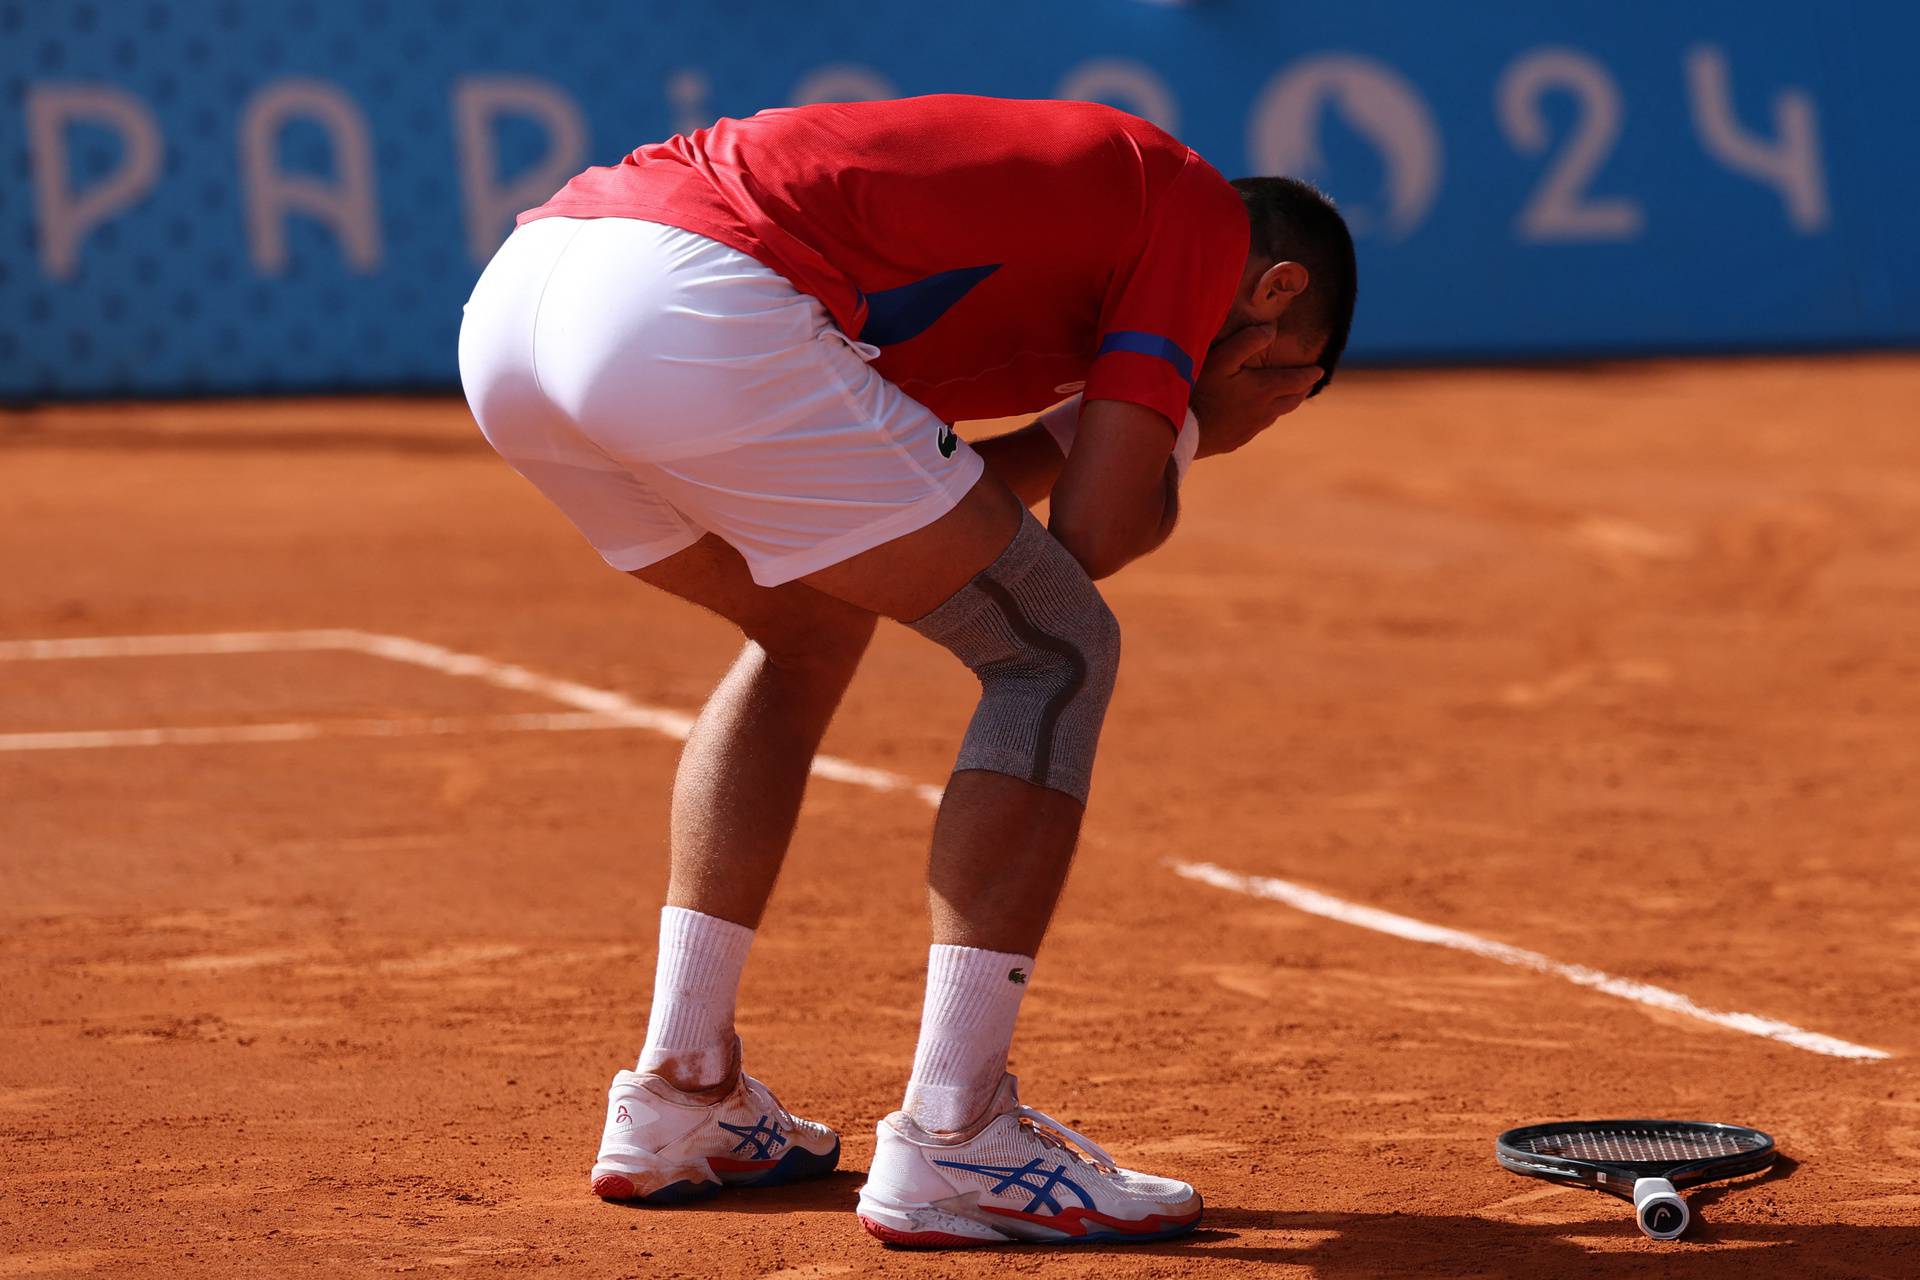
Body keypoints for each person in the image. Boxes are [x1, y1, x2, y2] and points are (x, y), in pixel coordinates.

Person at [457, 93, 1356, 1248]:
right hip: (689, 297)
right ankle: (956, 1132)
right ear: (1277, 298)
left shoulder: (1039, 276)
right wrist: (1175, 421)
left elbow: (932, 499)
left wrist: (1098, 423)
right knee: (1055, 648)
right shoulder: (1188, 211)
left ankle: (681, 1094)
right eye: (1302, 379)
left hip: (525, 305)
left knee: (813, 622)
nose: (1287, 405)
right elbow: (1093, 541)